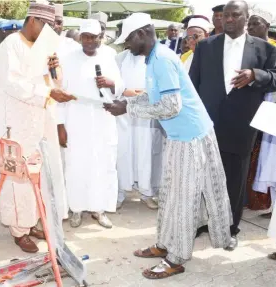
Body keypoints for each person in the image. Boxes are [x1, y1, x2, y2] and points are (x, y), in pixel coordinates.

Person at [107, 12, 232, 279]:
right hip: (179, 136)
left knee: (184, 200)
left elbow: (170, 106)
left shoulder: (161, 60)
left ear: (141, 34)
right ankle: (164, 244)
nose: (127, 47)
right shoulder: (154, 58)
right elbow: (153, 98)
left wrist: (128, 108)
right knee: (171, 196)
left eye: (128, 41)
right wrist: (126, 104)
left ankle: (176, 257)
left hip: (190, 137)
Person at [189, 0, 276, 251]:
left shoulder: (263, 48)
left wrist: (254, 75)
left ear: (246, 18)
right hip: (208, 122)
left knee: (235, 179)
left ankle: (230, 228)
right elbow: (194, 83)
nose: (228, 20)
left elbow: (274, 76)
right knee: (204, 175)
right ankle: (204, 221)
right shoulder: (205, 46)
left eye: (234, 15)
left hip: (242, 123)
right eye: (224, 15)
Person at [0, 1, 75, 253]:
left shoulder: (44, 46)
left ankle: (35, 220)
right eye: (46, 25)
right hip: (16, 124)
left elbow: (56, 79)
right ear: (32, 21)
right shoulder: (10, 46)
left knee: (41, 176)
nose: (50, 30)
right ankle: (19, 230)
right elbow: (13, 84)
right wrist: (49, 90)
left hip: (42, 119)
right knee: (19, 178)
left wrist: (54, 71)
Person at [58, 19, 124, 228]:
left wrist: (110, 83)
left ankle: (99, 209)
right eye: (84, 37)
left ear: (99, 38)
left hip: (103, 116)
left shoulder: (109, 55)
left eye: (92, 37)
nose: (88, 41)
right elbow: (60, 93)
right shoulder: (67, 59)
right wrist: (60, 124)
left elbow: (121, 86)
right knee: (76, 163)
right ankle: (76, 209)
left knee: (103, 163)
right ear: (80, 38)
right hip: (75, 115)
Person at [115, 47, 164, 210]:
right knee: (123, 151)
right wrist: (126, 92)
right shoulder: (119, 58)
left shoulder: (154, 58)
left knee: (144, 151)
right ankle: (119, 193)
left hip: (145, 111)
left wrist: (146, 93)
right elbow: (112, 83)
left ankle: (146, 193)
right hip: (123, 111)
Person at [246, 9, 276, 217]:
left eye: (255, 24)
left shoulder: (273, 49)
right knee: (266, 160)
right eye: (249, 24)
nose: (250, 28)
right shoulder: (249, 50)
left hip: (271, 108)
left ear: (266, 25)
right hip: (256, 110)